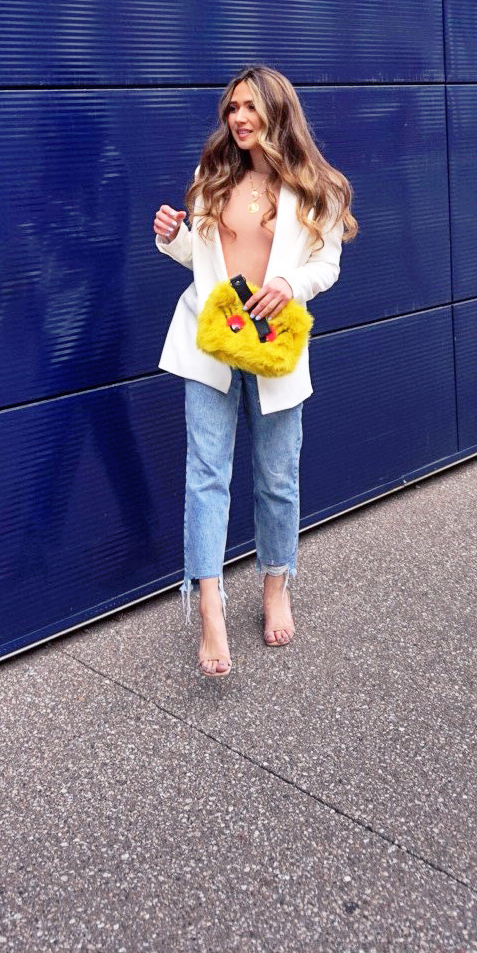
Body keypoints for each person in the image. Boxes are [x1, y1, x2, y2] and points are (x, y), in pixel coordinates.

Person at [152, 65, 358, 678]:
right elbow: (201, 260)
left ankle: (276, 584)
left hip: (272, 349)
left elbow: (327, 265)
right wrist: (175, 238)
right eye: (231, 109)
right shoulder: (211, 176)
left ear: (276, 111)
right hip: (210, 343)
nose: (238, 118)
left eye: (249, 107)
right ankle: (210, 606)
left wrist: (291, 284)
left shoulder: (316, 186)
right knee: (206, 477)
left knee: (276, 476)